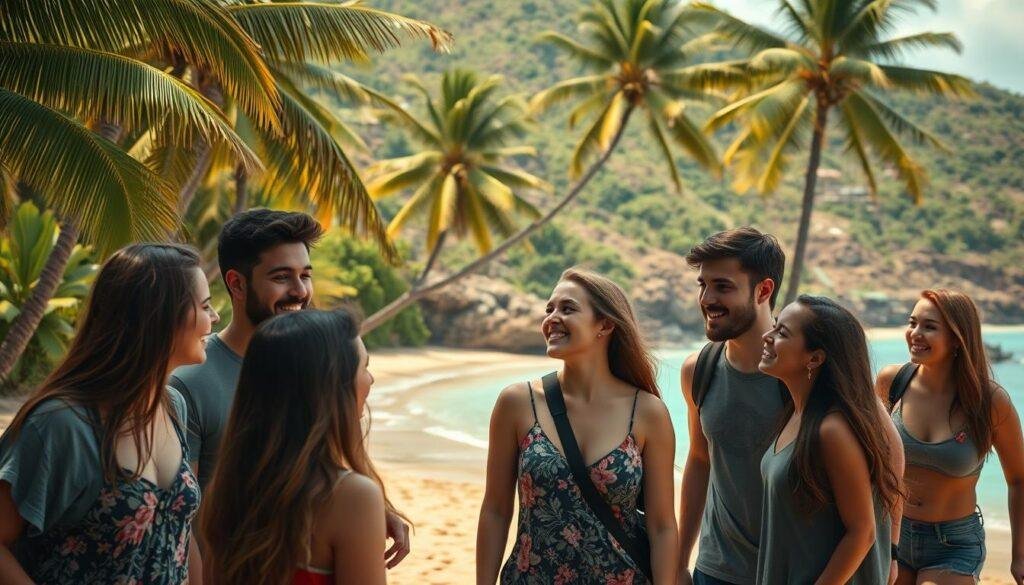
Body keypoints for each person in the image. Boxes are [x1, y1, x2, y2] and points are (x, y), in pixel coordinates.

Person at [169, 209, 410, 564]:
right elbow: (181, 516)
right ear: (237, 284)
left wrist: (377, 507)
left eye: (305, 275)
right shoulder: (191, 382)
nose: (300, 291)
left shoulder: (313, 367)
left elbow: (333, 459)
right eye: (282, 277)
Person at [0, 243, 216, 584]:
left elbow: (178, 530)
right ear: (159, 317)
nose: (214, 317)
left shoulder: (173, 405)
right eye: (204, 306)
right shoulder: (62, 424)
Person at [477, 268, 678, 584]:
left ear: (605, 325)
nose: (552, 318)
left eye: (567, 309)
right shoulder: (517, 403)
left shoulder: (647, 413)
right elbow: (495, 510)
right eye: (549, 309)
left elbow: (662, 526)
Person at [201, 309, 405, 585]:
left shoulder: (228, 486)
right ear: (332, 388)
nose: (370, 380)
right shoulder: (350, 496)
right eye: (363, 368)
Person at [877, 289, 1024, 584]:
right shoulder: (891, 383)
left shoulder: (990, 402)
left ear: (957, 338)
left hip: (954, 544)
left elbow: (1019, 479)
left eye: (929, 326)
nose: (915, 333)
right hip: (893, 533)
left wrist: (1020, 555)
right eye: (912, 323)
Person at [757, 295, 903, 583]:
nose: (767, 336)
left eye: (782, 332)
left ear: (814, 358)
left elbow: (863, 532)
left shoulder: (831, 429)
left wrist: (893, 552)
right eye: (774, 325)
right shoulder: (797, 414)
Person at [676, 227, 788, 585]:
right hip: (715, 571)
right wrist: (679, 561)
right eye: (702, 285)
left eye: (722, 286)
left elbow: (884, 459)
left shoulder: (805, 370)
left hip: (791, 572)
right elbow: (699, 460)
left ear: (763, 291)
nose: (707, 298)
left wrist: (891, 553)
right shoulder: (699, 370)